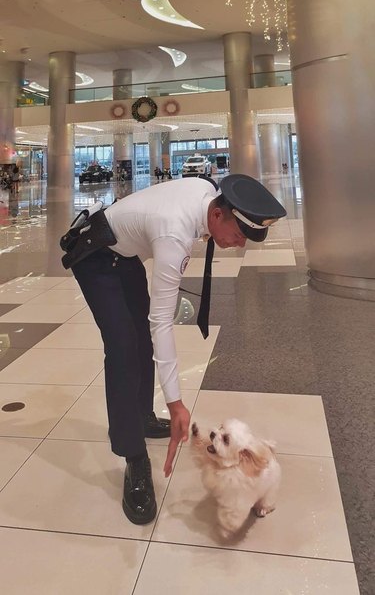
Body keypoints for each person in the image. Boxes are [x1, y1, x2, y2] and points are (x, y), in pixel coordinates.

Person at [66, 174, 286, 525]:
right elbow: (162, 321)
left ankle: (141, 416)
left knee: (138, 336)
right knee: (123, 347)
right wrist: (176, 401)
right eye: (238, 234)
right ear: (218, 216)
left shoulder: (212, 197)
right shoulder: (174, 233)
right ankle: (134, 457)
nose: (238, 243)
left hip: (122, 255)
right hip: (94, 256)